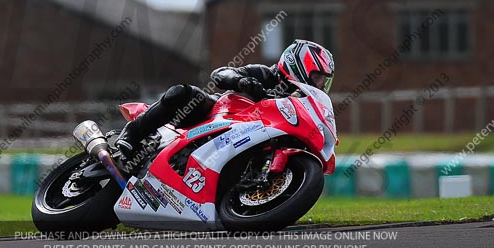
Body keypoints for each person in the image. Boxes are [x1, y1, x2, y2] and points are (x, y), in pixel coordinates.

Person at [115, 39, 334, 157]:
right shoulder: (265, 74)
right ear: (298, 64)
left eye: (324, 81)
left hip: (249, 137)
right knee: (184, 93)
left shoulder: (298, 101)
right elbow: (220, 73)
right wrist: (241, 82)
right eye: (317, 77)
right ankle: (132, 133)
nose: (319, 84)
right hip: (218, 116)